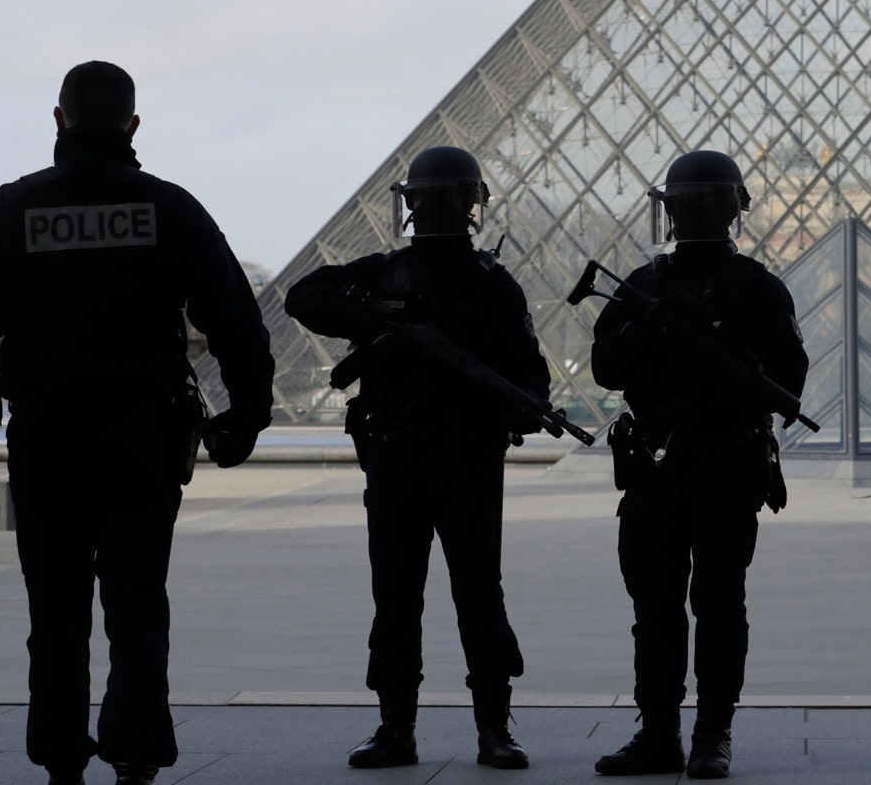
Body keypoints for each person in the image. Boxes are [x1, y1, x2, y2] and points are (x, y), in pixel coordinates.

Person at [0, 61, 275, 785]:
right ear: (132, 126)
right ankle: (137, 752)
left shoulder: (13, 210)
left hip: (47, 436)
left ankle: (61, 758)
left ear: (59, 121)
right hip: (143, 436)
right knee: (137, 598)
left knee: (54, 607)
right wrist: (249, 413)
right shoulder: (170, 209)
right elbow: (238, 324)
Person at [284, 145, 548, 771]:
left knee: (422, 595)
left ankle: (408, 729)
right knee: (452, 594)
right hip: (430, 459)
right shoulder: (401, 276)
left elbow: (528, 378)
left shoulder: (444, 278)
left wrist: (523, 405)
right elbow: (305, 296)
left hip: (433, 457)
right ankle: (475, 730)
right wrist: (385, 330)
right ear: (472, 205)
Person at [589, 150, 808, 780]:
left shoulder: (755, 290)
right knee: (661, 605)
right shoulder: (647, 289)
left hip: (721, 462)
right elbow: (607, 366)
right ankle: (666, 733)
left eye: (693, 206)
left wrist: (717, 362)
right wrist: (656, 333)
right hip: (661, 464)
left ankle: (709, 731)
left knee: (712, 603)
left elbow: (786, 385)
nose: (693, 216)